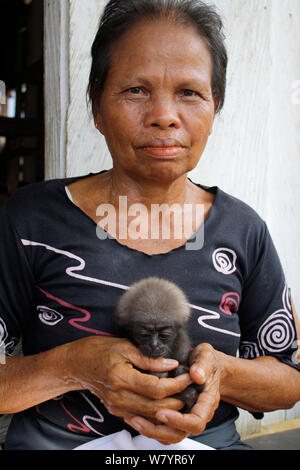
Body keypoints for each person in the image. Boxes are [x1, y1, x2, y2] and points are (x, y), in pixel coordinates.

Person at [1, 0, 300, 451]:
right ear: (97, 106)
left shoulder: (243, 231)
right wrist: (72, 366)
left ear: (215, 106)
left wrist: (221, 371)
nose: (164, 114)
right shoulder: (28, 221)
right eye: (136, 90)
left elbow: (289, 377)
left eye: (190, 93)